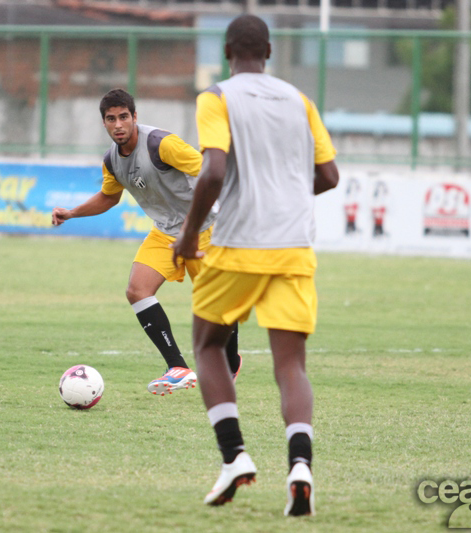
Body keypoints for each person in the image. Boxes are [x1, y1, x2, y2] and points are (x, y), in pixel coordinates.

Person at [171, 14, 339, 516]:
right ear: (268, 50)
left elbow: (214, 170)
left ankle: (234, 457)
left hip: (241, 242)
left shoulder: (217, 97)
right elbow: (328, 175)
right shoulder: (299, 100)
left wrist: (186, 234)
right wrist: (286, 194)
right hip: (294, 245)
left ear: (227, 51)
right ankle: (301, 466)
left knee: (207, 344)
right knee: (291, 364)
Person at [51, 88, 241, 395]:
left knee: (218, 306)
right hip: (165, 232)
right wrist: (72, 213)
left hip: (205, 229)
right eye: (111, 119)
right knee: (137, 290)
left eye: (124, 116)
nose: (118, 124)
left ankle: (231, 362)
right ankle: (177, 367)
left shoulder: (161, 145)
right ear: (104, 124)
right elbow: (109, 197)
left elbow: (212, 172)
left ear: (135, 117)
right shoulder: (112, 160)